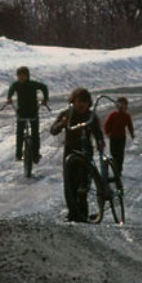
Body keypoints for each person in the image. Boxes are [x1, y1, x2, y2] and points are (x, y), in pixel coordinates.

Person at [49, 87, 104, 222]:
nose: (81, 105)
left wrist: (100, 141)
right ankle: (72, 213)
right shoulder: (67, 114)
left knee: (83, 184)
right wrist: (62, 124)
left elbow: (98, 133)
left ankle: (83, 212)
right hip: (70, 151)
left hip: (86, 150)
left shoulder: (91, 116)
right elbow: (53, 130)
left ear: (89, 103)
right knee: (69, 183)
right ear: (73, 101)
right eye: (79, 101)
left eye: (85, 102)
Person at [3, 66, 50, 169]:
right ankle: (18, 154)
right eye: (19, 75)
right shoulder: (16, 85)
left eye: (22, 75)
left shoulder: (33, 84)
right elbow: (11, 89)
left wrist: (45, 98)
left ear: (27, 75)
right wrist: (9, 98)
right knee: (19, 133)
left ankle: (36, 154)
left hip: (33, 111)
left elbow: (44, 87)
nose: (20, 77)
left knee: (35, 134)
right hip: (22, 112)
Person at [103, 96, 136, 186]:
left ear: (126, 107)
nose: (122, 107)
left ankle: (119, 171)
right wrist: (107, 133)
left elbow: (130, 126)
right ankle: (114, 170)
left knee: (120, 154)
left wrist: (132, 133)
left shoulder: (127, 116)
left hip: (122, 138)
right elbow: (106, 124)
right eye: (120, 105)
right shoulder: (113, 115)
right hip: (113, 137)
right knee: (113, 154)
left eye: (124, 106)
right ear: (117, 106)